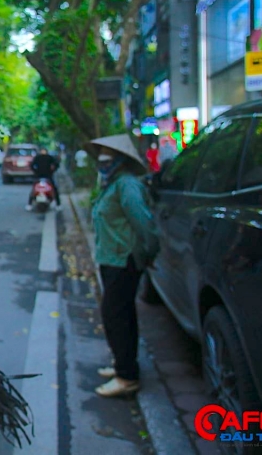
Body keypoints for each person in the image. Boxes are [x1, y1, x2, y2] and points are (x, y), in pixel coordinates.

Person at [89, 134, 159, 397]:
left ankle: (126, 376)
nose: (102, 163)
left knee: (116, 316)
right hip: (111, 258)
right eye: (101, 158)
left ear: (120, 161)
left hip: (123, 260)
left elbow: (143, 222)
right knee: (121, 315)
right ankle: (123, 365)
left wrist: (148, 253)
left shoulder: (127, 185)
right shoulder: (112, 183)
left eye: (108, 158)